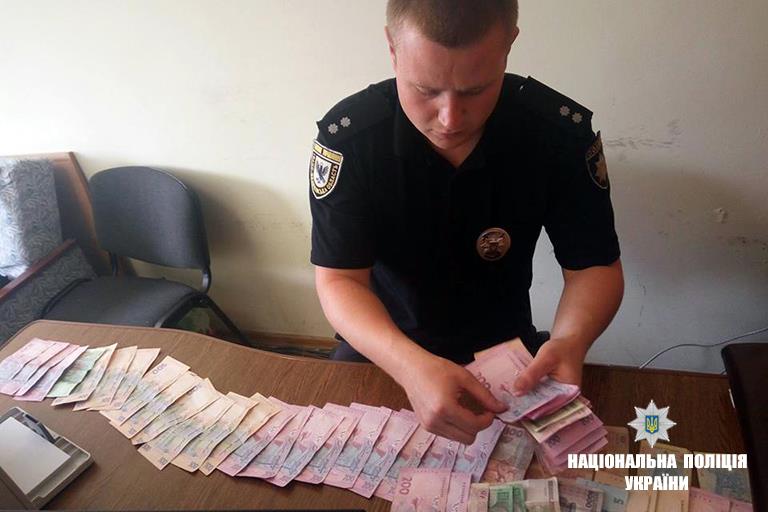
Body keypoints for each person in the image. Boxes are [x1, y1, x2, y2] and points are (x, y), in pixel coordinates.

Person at [308, 0, 624, 445]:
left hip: (508, 353)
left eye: (475, 91)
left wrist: (572, 340)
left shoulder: (557, 135)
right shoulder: (352, 141)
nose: (450, 118)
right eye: (425, 90)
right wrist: (409, 366)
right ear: (392, 48)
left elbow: (594, 265)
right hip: (383, 348)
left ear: (509, 45)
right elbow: (339, 279)